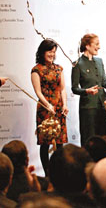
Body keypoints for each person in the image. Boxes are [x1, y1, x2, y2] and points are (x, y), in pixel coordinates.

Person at [71, 33, 106, 146]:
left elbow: (103, 82)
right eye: (96, 44)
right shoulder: (77, 64)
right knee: (89, 139)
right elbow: (74, 88)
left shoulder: (99, 61)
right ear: (87, 46)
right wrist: (87, 91)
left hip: (102, 106)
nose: (99, 47)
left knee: (102, 139)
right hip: (88, 108)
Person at [31, 39, 68, 175]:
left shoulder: (59, 68)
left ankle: (59, 172)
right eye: (49, 51)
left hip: (59, 108)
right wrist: (47, 105)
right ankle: (47, 174)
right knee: (45, 142)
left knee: (60, 142)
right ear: (42, 52)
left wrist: (65, 104)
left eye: (54, 52)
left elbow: (62, 88)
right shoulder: (36, 70)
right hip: (45, 109)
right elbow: (38, 92)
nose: (52, 54)